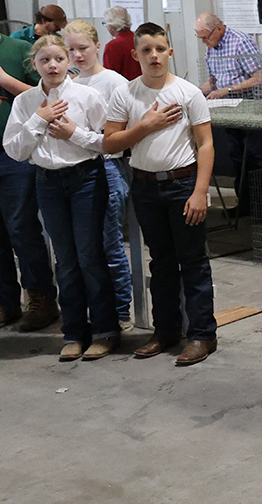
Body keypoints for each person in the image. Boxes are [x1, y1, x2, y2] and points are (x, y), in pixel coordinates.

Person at [104, 23, 218, 367]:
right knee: (162, 262)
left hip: (182, 185)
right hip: (145, 186)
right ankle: (166, 330)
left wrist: (200, 192)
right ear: (135, 55)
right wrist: (146, 126)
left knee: (193, 262)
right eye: (146, 50)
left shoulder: (187, 93)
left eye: (160, 49)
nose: (154, 56)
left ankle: (202, 334)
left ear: (170, 52)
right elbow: (110, 143)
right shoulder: (125, 94)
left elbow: (206, 143)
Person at [4, 35, 117, 360]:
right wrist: (39, 120)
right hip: (48, 182)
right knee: (65, 261)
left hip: (85, 179)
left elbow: (108, 144)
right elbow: (15, 151)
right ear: (34, 65)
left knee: (89, 257)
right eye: (44, 60)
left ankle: (105, 331)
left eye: (58, 59)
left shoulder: (87, 96)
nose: (52, 65)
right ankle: (74, 333)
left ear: (69, 60)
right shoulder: (25, 102)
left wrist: (73, 134)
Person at [63, 20, 135, 331]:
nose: (77, 55)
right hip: (74, 168)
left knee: (109, 243)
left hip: (107, 165)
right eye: (71, 50)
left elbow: (117, 135)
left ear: (97, 47)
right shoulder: (66, 84)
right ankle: (96, 309)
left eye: (82, 48)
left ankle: (120, 310)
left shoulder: (114, 82)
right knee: (83, 248)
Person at [0, 26, 58, 331]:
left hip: (13, 155)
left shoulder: (17, 50)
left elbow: (46, 97)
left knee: (21, 226)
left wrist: (5, 81)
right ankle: (5, 302)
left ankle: (41, 298)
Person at [195, 12, 262, 221]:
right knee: (237, 158)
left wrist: (228, 89)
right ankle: (244, 204)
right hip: (228, 111)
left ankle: (261, 207)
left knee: (254, 157)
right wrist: (194, 91)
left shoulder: (240, 43)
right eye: (200, 38)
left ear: (218, 29)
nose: (204, 42)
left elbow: (260, 78)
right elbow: (212, 81)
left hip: (250, 108)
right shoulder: (210, 49)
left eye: (206, 37)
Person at [101, 6, 141, 80]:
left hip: (124, 88)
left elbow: (109, 76)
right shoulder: (140, 39)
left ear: (112, 27)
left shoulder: (113, 46)